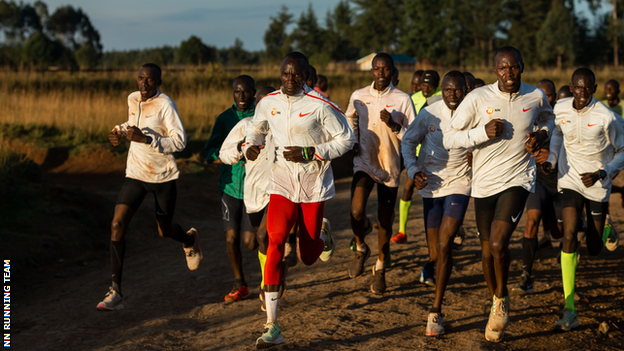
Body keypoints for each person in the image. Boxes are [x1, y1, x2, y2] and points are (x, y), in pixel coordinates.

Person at [443, 46, 554, 343]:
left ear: (522, 66)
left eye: (513, 67)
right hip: (483, 185)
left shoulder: (535, 96)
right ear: (495, 71)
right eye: (502, 68)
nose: (508, 73)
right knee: (486, 252)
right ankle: (496, 298)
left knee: (497, 242)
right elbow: (450, 137)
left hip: (518, 179)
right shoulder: (477, 99)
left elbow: (548, 119)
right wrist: (482, 132)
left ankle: (502, 298)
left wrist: (542, 135)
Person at [244, 52, 355, 348]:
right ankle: (272, 325)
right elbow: (256, 128)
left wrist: (313, 152)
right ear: (279, 74)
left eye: (296, 75)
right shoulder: (269, 103)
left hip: (312, 182)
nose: (289, 81)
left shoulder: (320, 105)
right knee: (274, 240)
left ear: (305, 74)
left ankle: (321, 234)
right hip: (281, 180)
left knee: (307, 256)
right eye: (285, 74)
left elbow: (347, 139)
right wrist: (250, 146)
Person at [97, 63, 201, 311]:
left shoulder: (166, 104)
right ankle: (116, 291)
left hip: (163, 176)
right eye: (141, 79)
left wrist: (146, 139)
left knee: (164, 231)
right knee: (117, 224)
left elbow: (180, 142)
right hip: (136, 172)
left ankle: (188, 240)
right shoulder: (132, 99)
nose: (144, 84)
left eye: (150, 80)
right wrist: (118, 131)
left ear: (158, 82)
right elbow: (132, 122)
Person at [543, 68, 624, 332]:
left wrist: (604, 172)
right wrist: (553, 160)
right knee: (568, 235)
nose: (582, 93)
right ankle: (570, 309)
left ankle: (606, 227)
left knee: (593, 247)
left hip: (598, 183)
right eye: (577, 88)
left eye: (587, 88)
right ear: (571, 87)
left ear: (594, 88)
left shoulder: (606, 116)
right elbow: (556, 133)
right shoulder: (562, 107)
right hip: (570, 179)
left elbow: (623, 150)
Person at [402, 71, 471, 336]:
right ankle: (454, 230)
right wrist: (413, 170)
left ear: (465, 90)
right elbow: (409, 142)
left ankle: (435, 311)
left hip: (460, 184)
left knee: (444, 245)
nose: (453, 96)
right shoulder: (430, 112)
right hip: (431, 185)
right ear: (441, 90)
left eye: (458, 90)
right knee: (435, 254)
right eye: (448, 90)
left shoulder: (473, 111)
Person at [345, 53, 416, 294]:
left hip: (390, 166)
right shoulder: (358, 95)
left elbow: (412, 136)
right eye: (377, 69)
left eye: (386, 69)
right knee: (356, 210)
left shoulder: (403, 99)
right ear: (372, 71)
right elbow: (349, 119)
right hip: (364, 161)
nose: (381, 73)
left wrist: (395, 126)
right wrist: (353, 140)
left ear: (393, 71)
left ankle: (381, 266)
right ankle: (360, 247)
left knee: (384, 222)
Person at [218, 86, 276, 311]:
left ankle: (267, 284)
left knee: (263, 235)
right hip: (252, 194)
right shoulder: (245, 125)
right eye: (262, 104)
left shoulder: (283, 127)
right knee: (252, 241)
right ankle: (273, 269)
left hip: (277, 191)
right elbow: (224, 153)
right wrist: (242, 150)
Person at [205, 75, 258, 304]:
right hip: (229, 186)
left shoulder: (261, 116)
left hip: (255, 187)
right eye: (237, 92)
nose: (242, 96)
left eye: (246, 92)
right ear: (232, 93)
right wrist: (229, 154)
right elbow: (209, 152)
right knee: (231, 238)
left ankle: (274, 272)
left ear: (254, 93)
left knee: (250, 242)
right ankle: (240, 283)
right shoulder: (224, 119)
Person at [510, 79, 563, 296]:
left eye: (548, 95)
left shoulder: (561, 120)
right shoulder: (528, 116)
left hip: (562, 183)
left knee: (563, 231)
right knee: (531, 222)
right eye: (541, 94)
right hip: (538, 182)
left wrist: (552, 157)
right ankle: (526, 276)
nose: (544, 98)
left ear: (554, 98)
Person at [391, 70, 441, 244]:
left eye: (430, 86)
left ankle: (452, 229)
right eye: (423, 85)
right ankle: (402, 230)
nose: (425, 89)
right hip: (416, 151)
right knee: (407, 187)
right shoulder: (413, 98)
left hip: (436, 153)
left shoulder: (443, 97)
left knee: (439, 191)